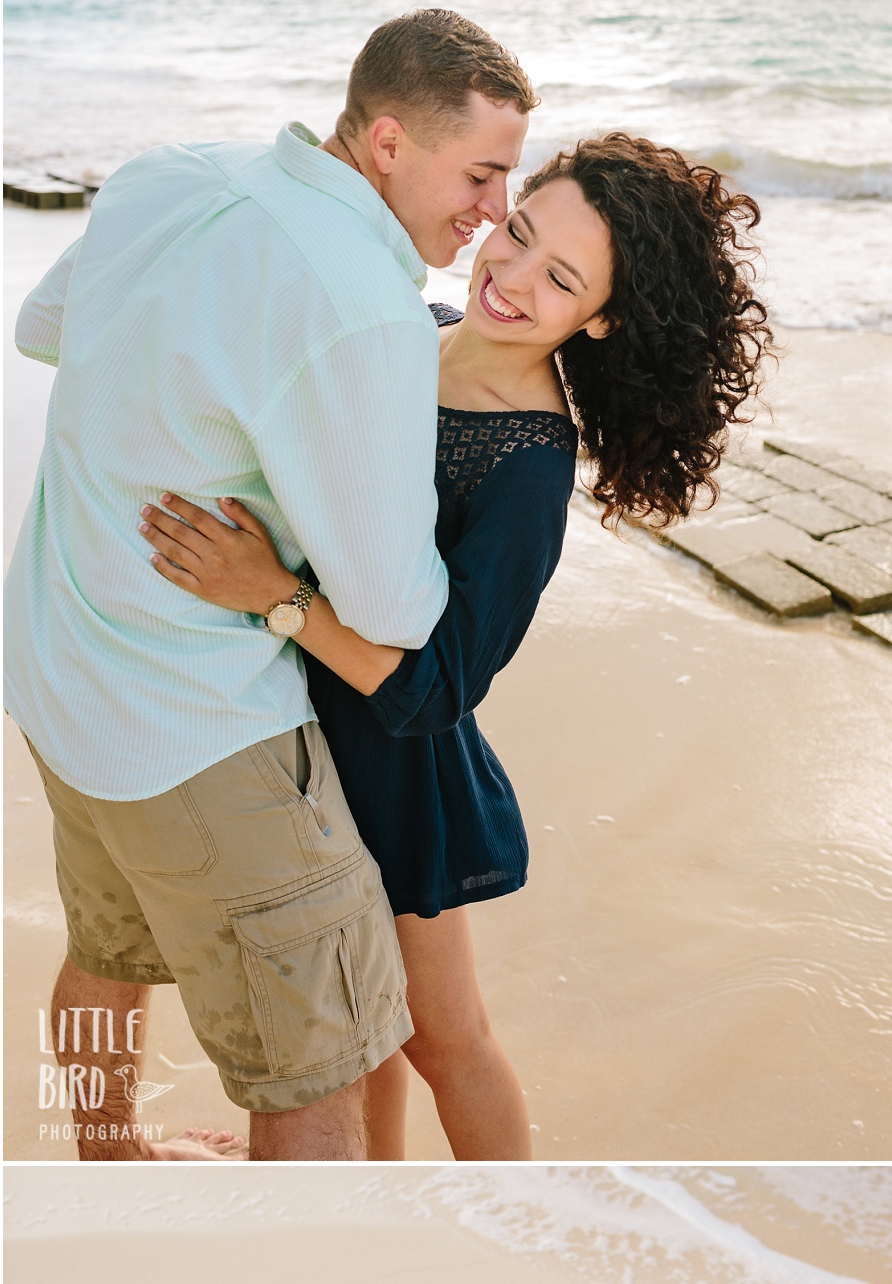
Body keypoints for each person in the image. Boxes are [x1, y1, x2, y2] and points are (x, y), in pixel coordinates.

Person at [140, 136, 770, 1159]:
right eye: (517, 234)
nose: (511, 277)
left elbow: (441, 687)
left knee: (444, 1038)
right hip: (294, 735)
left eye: (559, 278)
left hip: (396, 775)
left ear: (598, 319)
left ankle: (516, 1231)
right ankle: (372, 1201)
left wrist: (274, 596)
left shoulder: (526, 465)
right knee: (363, 1035)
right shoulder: (409, 328)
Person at [5, 9, 535, 1159]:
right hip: (196, 724)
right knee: (319, 1076)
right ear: (389, 143)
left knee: (103, 958)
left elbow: (42, 325)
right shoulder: (366, 308)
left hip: (55, 671)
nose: (493, 210)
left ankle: (111, 1165)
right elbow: (395, 614)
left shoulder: (169, 173)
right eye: (484, 173)